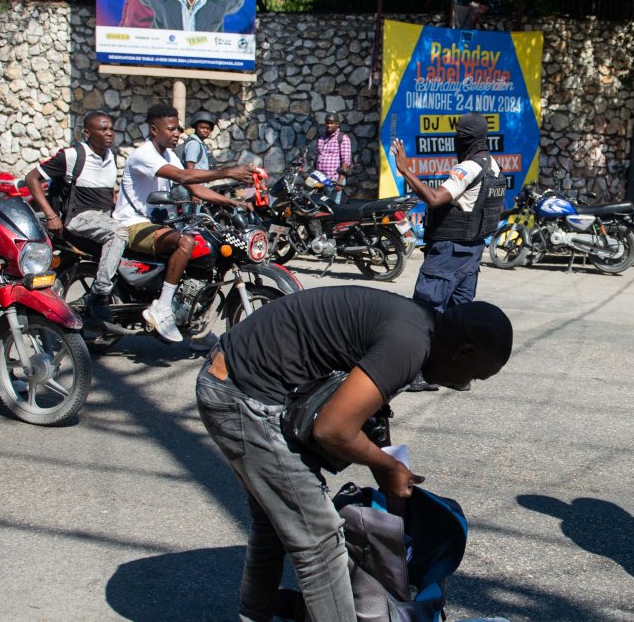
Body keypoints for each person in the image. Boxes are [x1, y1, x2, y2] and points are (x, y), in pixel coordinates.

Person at [195, 285, 513, 622]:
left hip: (239, 380)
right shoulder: (408, 343)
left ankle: (255, 615)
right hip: (242, 395)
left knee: (277, 521)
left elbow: (372, 413)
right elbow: (332, 429)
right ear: (462, 352)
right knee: (320, 541)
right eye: (473, 377)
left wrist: (390, 474)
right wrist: (387, 466)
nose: (465, 384)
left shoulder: (419, 327)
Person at [112, 103, 257, 343]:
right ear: (154, 129)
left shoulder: (168, 155)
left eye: (178, 128)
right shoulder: (144, 154)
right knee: (185, 243)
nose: (177, 133)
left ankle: (193, 321)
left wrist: (232, 203)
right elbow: (184, 176)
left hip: (160, 224)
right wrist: (228, 171)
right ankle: (163, 307)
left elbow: (195, 188)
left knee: (208, 245)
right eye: (170, 129)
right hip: (133, 224)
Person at [391, 111, 505, 391]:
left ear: (465, 139)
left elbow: (434, 198)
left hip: (449, 251)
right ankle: (458, 375)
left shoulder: (468, 168)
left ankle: (416, 373)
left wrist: (405, 169)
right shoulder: (495, 166)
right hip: (473, 253)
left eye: (458, 136)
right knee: (460, 318)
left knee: (425, 310)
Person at [25, 111, 125, 327]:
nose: (109, 133)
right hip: (78, 218)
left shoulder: (112, 156)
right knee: (119, 232)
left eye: (111, 129)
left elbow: (109, 192)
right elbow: (31, 177)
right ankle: (99, 295)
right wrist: (51, 215)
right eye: (103, 129)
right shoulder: (72, 155)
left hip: (103, 218)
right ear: (88, 133)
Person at [313, 112, 351, 203]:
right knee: (320, 210)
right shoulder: (321, 138)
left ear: (337, 124)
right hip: (320, 181)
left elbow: (345, 162)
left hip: (334, 181)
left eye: (332, 123)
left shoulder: (342, 138)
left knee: (333, 210)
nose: (329, 125)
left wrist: (340, 181)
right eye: (327, 123)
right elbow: (317, 158)